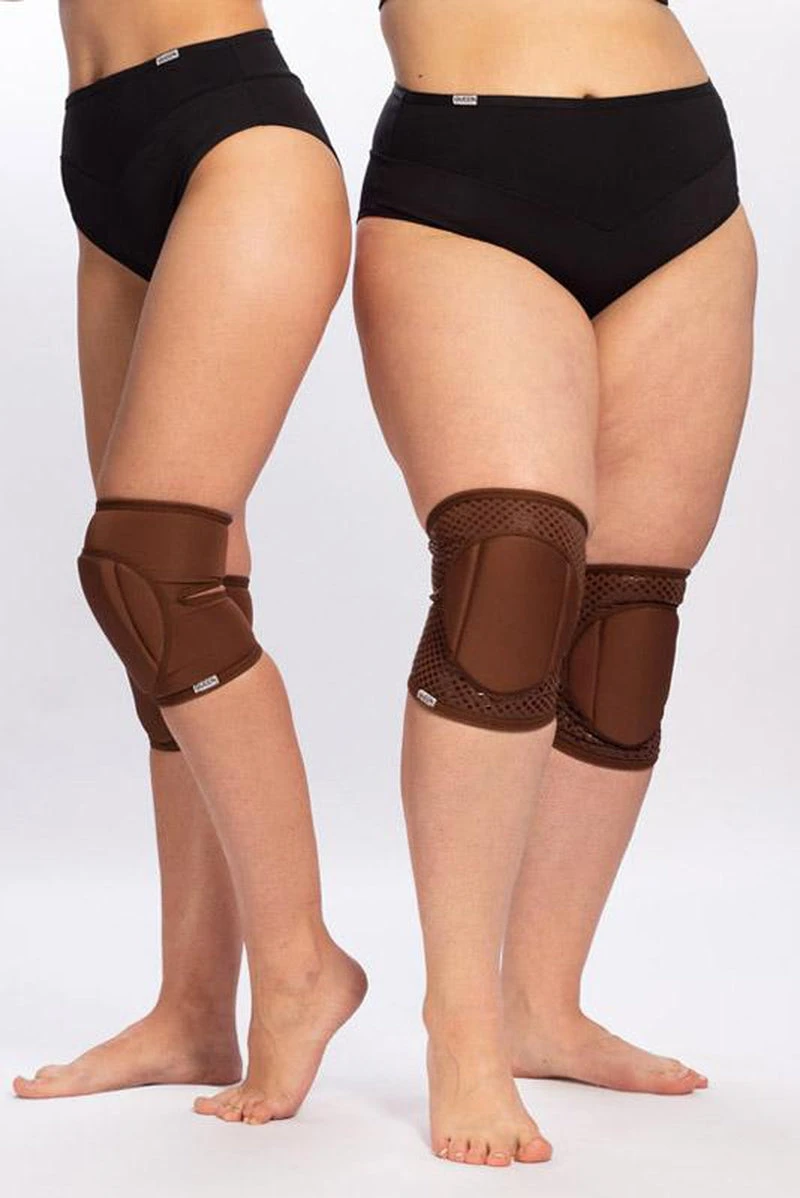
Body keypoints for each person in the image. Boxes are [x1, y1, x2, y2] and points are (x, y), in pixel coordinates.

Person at [355, 0, 756, 1167]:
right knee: (508, 571)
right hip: (464, 169)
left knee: (628, 620)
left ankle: (541, 1002)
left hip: (680, 168)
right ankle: (461, 1023)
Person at [13, 0, 367, 1125]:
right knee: (165, 612)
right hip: (101, 140)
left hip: (231, 128)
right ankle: (192, 1009)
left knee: (150, 573)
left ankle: (302, 964)